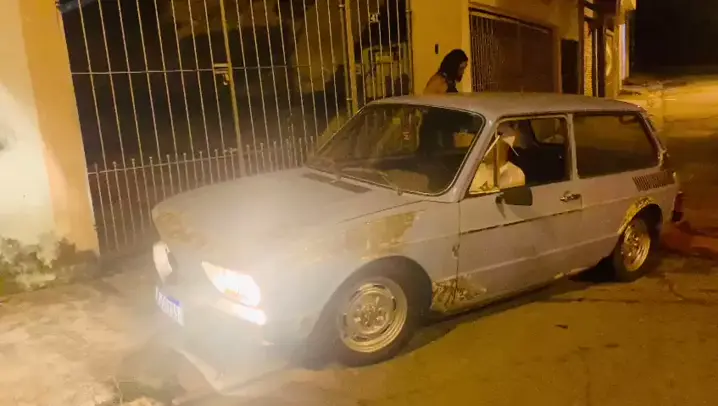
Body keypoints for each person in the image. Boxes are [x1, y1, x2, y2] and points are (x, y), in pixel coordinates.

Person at [469, 123, 526, 194]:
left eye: (494, 141)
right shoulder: (475, 168)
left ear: (506, 148)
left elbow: (494, 197)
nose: (487, 145)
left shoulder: (514, 173)